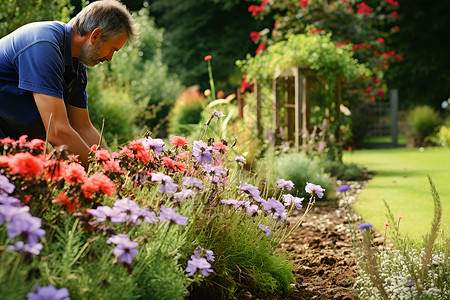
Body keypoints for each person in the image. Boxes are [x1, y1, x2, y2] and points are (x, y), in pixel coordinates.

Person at [0, 0, 137, 168]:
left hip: (12, 141)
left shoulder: (76, 68)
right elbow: (57, 132)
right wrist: (104, 174)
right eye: (112, 50)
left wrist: (113, 167)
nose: (109, 58)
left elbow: (83, 127)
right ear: (95, 35)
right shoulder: (44, 45)